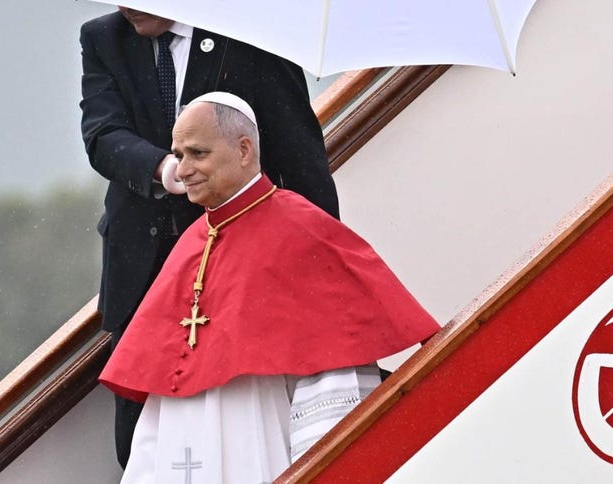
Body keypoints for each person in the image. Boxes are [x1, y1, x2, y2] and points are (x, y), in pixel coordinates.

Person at [99, 92, 440, 483]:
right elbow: (162, 396)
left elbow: (331, 363)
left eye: (197, 153)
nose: (183, 169)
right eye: (178, 155)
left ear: (244, 150)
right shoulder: (193, 242)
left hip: (263, 435)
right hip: (188, 446)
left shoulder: (300, 229)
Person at [79, 7, 339, 467]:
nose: (126, 8)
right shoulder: (104, 37)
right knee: (140, 442)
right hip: (142, 270)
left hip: (241, 269)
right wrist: (168, 170)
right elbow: (102, 133)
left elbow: (299, 157)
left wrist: (323, 263)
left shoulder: (249, 26)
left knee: (244, 427)